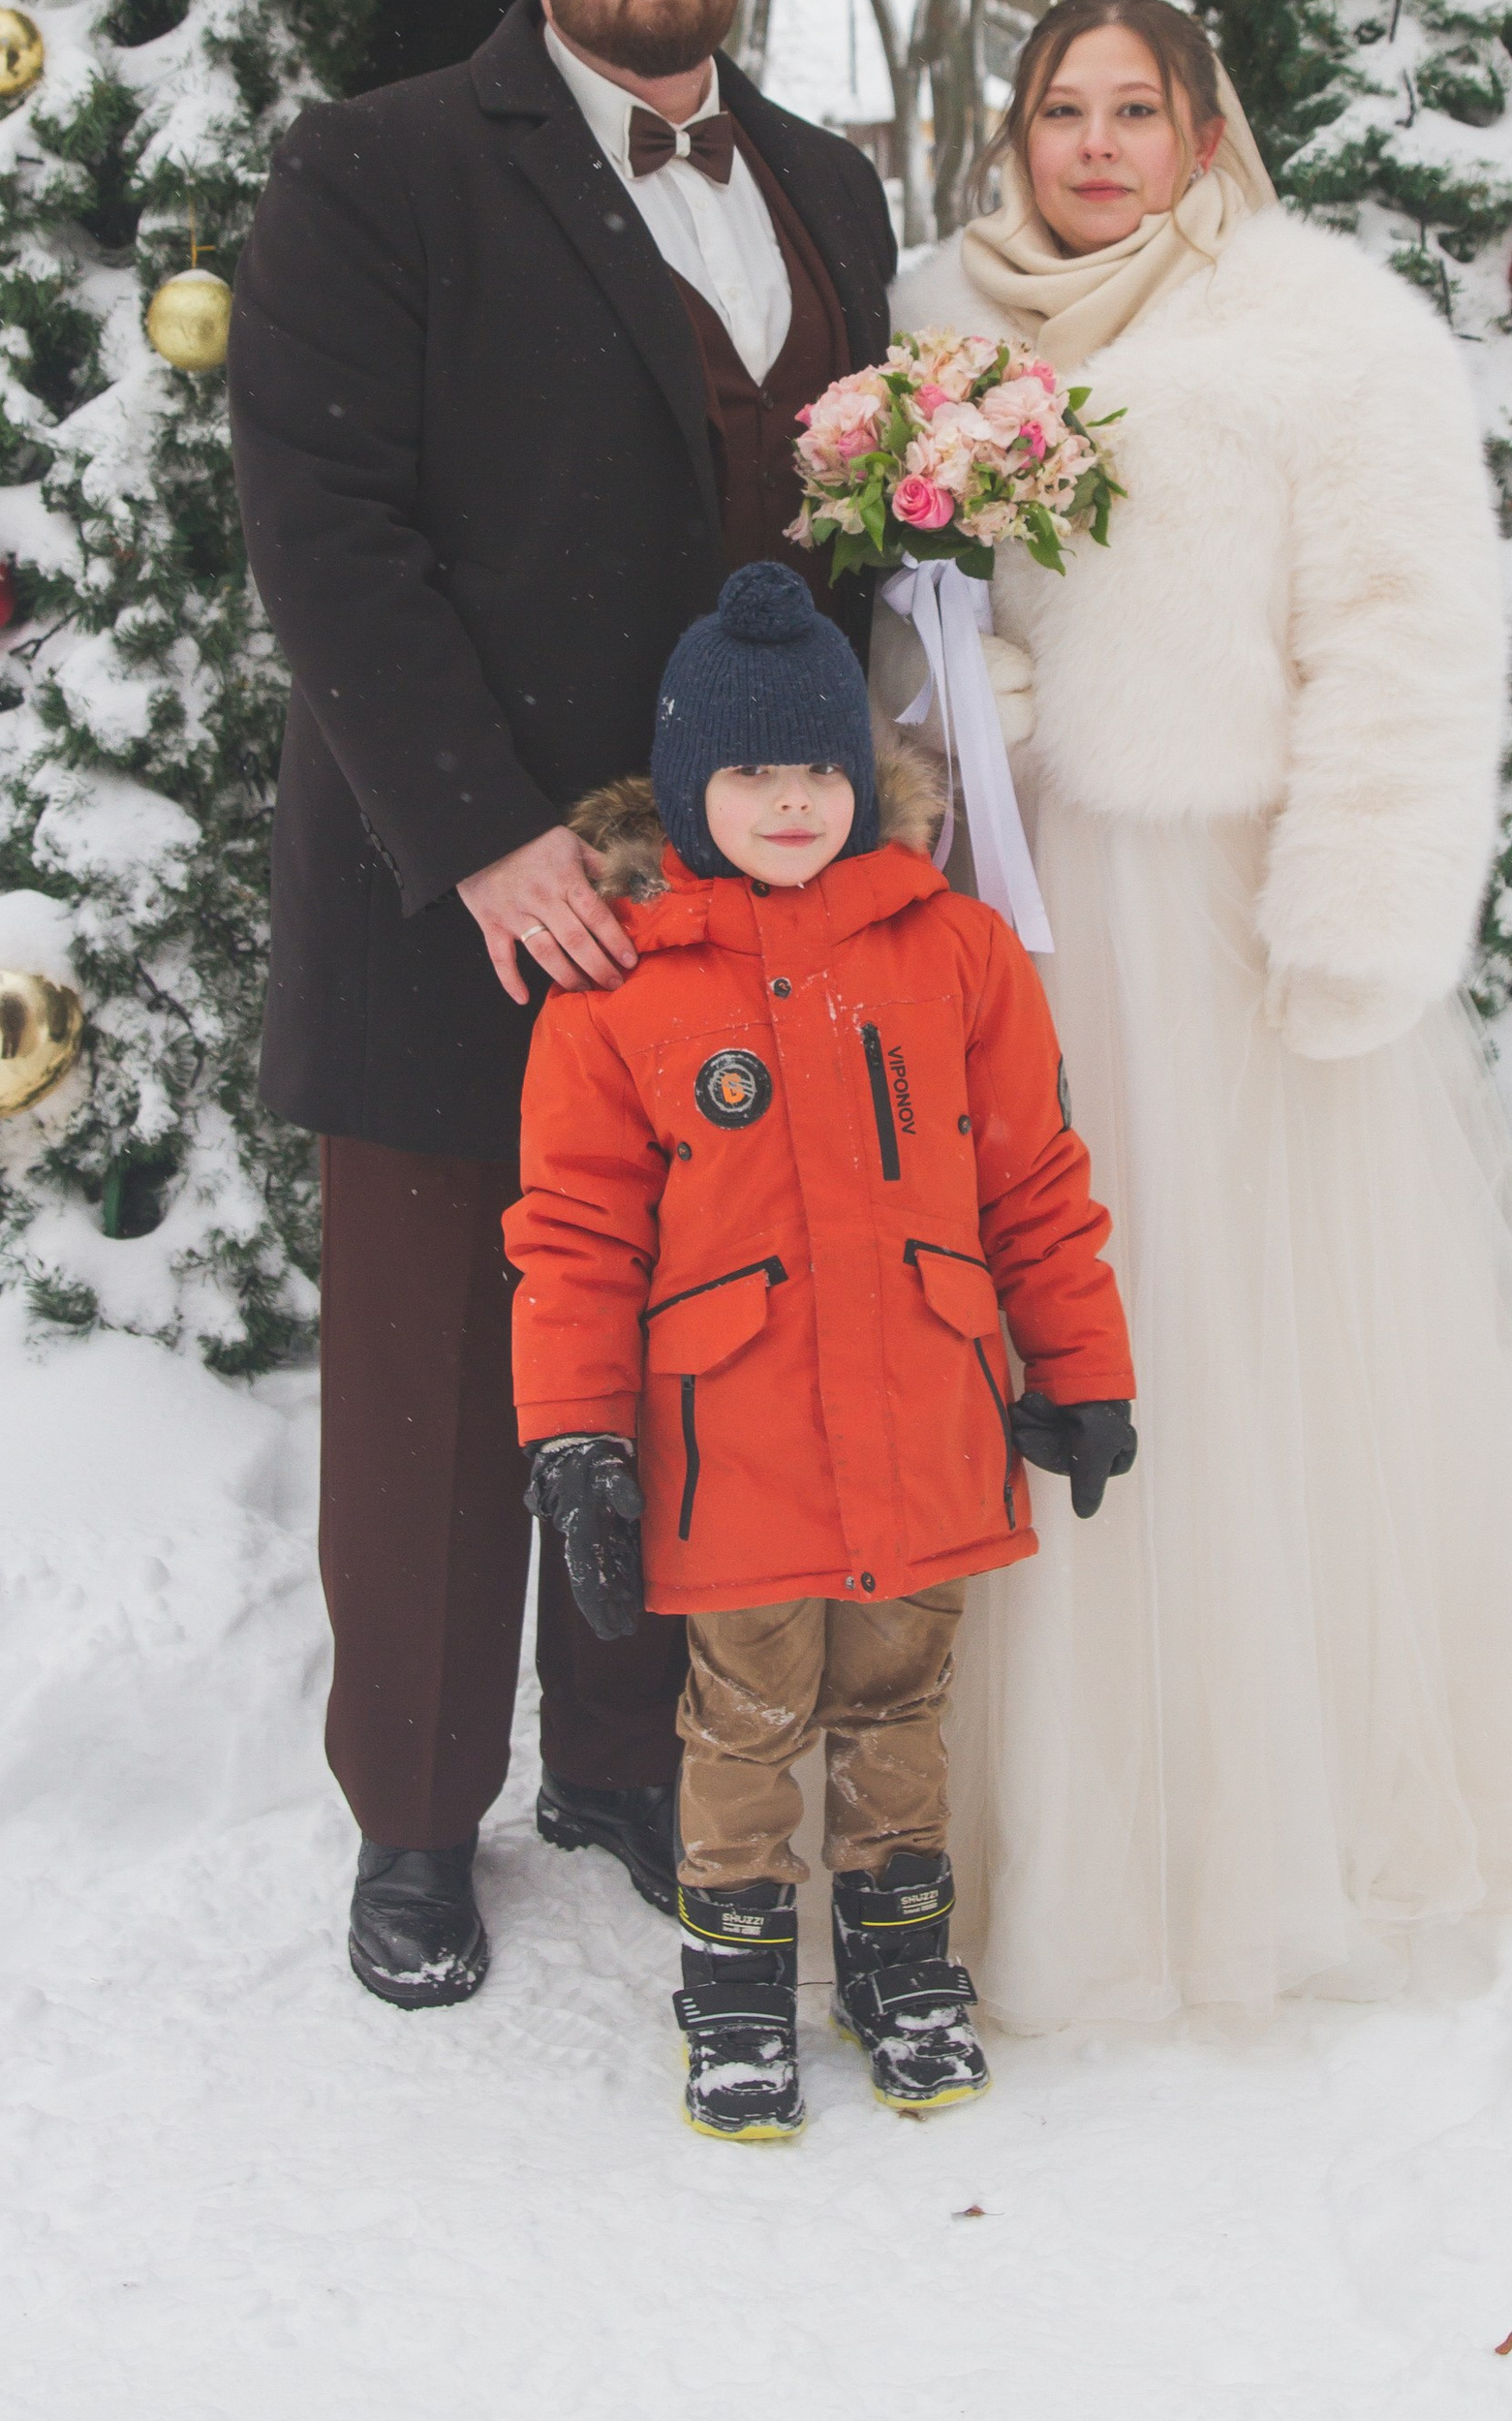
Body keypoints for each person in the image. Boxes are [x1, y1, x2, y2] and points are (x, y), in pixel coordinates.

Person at [886, 0, 1512, 2030]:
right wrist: (934, 714)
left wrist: (1357, 906)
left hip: (1220, 918)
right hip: (1010, 906)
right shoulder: (933, 323)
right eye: (1058, 111)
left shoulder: (1317, 327)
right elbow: (904, 604)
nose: (1092, 147)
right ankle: (1040, 1819)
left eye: (1131, 110)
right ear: (1012, 138)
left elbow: (1404, 626)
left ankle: (1267, 1815)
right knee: (1026, 1317)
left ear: (1199, 127)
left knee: (1227, 1348)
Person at [228, 0, 896, 2008]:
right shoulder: (383, 167)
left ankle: (623, 1762)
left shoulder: (826, 187)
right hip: (466, 901)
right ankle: (414, 1823)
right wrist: (489, 839)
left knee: (692, 1352)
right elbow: (326, 533)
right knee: (436, 1381)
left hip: (733, 919)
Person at [505, 563, 1136, 2137]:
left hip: (926, 1419)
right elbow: (574, 1233)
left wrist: (1083, 1366)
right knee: (742, 1719)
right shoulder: (619, 990)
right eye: (749, 772)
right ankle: (732, 1982)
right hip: (742, 1447)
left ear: (863, 780)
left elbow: (1033, 1178)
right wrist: (574, 1433)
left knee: (902, 1709)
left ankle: (901, 1961)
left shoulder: (956, 954)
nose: (788, 804)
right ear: (685, 785)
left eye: (815, 770)